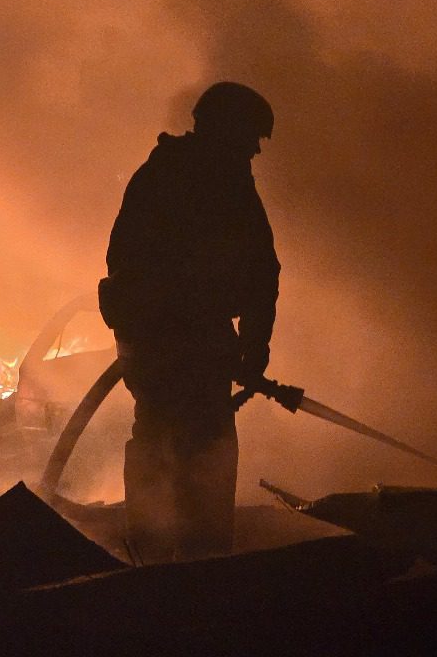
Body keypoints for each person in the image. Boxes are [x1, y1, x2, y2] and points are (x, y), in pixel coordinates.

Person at [98, 82, 279, 562]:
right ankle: (203, 564)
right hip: (186, 345)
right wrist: (252, 349)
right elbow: (262, 271)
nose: (256, 149)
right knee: (206, 446)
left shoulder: (157, 174)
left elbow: (120, 259)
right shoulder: (224, 180)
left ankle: (149, 554)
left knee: (155, 437)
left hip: (150, 344)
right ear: (228, 129)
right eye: (252, 136)